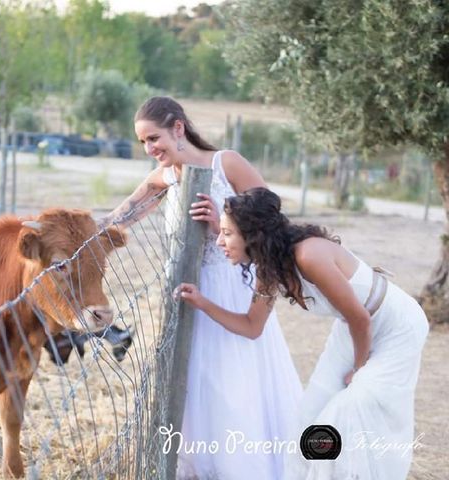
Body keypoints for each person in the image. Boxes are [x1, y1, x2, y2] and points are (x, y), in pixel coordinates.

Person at [98, 96, 302, 479]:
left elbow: (273, 222)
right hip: (188, 295)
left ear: (178, 128)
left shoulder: (227, 163)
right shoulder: (168, 176)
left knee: (233, 385)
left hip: (232, 289)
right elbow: (122, 214)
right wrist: (89, 237)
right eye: (143, 142)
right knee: (197, 385)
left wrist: (224, 228)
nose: (149, 149)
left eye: (153, 138)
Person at [177, 187, 429, 480]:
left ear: (253, 235)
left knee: (351, 406)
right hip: (353, 329)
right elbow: (251, 326)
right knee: (311, 417)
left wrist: (358, 370)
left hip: (397, 326)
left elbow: (360, 317)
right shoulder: (268, 271)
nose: (220, 242)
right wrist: (202, 302)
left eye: (227, 233)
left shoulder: (309, 255)